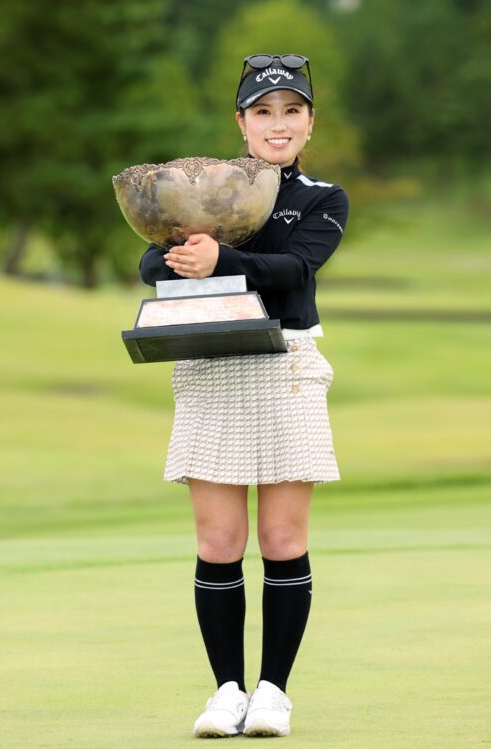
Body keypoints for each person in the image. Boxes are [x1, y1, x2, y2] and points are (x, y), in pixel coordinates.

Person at [139, 54, 349, 738]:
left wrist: (220, 259)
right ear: (242, 121)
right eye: (264, 112)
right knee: (219, 539)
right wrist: (187, 250)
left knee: (283, 538)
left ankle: (272, 693)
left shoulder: (322, 197)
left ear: (310, 122)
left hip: (285, 363)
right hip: (210, 365)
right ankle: (226, 690)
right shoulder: (206, 191)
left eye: (292, 111)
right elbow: (150, 259)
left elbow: (294, 270)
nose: (278, 124)